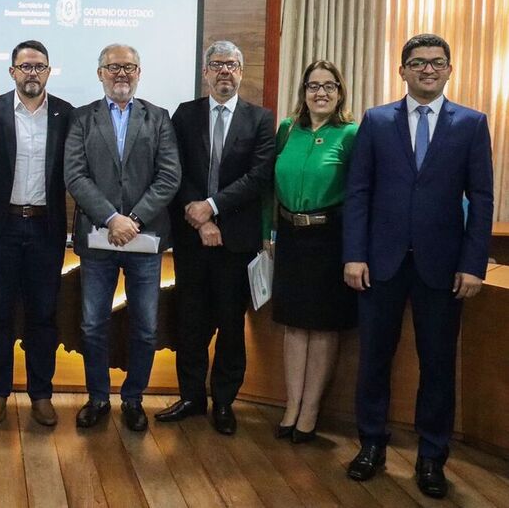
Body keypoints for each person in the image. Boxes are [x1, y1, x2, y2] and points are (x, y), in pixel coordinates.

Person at [343, 33, 493, 499]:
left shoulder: (471, 123)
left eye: (437, 62)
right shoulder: (376, 120)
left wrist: (473, 264)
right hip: (380, 263)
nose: (428, 69)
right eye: (418, 62)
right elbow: (359, 192)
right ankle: (371, 445)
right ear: (402, 70)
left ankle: (431, 456)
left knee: (438, 365)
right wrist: (354, 254)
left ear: (449, 70)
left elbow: (482, 198)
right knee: (373, 360)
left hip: (442, 268)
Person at [158, 40, 274, 436]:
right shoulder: (185, 115)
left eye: (232, 65)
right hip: (192, 239)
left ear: (242, 73)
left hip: (236, 241)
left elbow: (258, 177)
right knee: (189, 321)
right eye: (217, 64)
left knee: (230, 324)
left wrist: (212, 207)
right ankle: (191, 397)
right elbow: (173, 170)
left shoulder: (260, 119)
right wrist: (199, 216)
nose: (225, 71)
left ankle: (224, 400)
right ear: (205, 72)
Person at [64, 43, 181, 432]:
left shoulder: (159, 118)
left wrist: (132, 219)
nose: (121, 74)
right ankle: (97, 397)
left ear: (139, 72)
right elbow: (75, 175)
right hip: (97, 242)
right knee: (93, 325)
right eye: (113, 67)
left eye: (129, 67)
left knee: (145, 327)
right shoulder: (82, 119)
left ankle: (133, 399)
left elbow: (169, 177)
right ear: (100, 74)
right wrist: (112, 218)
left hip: (145, 242)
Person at [0, 40, 73, 427]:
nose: (32, 73)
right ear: (12, 71)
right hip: (2, 228)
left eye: (39, 66)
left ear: (49, 71)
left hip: (46, 229)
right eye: (25, 66)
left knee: (43, 316)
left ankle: (41, 394)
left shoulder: (67, 114)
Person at [269, 60, 357, 443]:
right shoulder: (288, 130)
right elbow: (268, 187)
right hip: (289, 237)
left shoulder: (352, 133)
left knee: (321, 327)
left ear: (340, 92)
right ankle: (291, 405)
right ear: (303, 92)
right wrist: (266, 234)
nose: (320, 93)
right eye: (312, 86)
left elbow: (359, 197)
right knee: (293, 324)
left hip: (329, 239)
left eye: (329, 86)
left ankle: (310, 411)